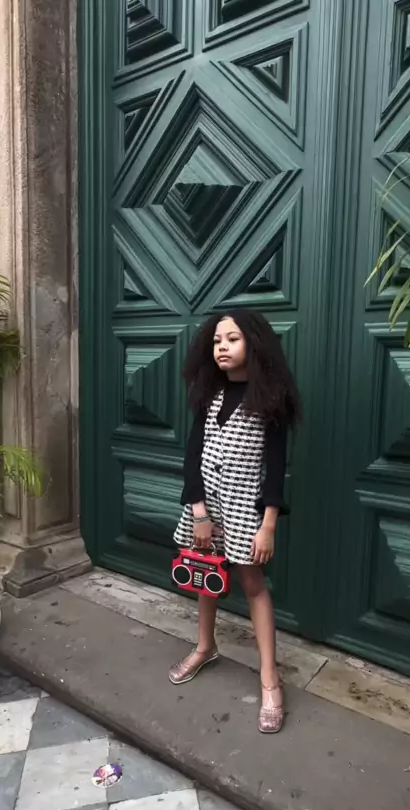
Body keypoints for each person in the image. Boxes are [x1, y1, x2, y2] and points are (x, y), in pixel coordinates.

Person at [170, 308, 301, 734]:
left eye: (232, 339)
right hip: (206, 506)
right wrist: (199, 512)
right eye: (216, 341)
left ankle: (270, 679)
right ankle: (205, 646)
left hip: (246, 507)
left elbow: (275, 468)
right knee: (204, 574)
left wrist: (269, 525)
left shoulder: (270, 399)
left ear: (254, 344)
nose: (222, 347)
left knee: (253, 585)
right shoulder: (209, 394)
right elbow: (193, 456)